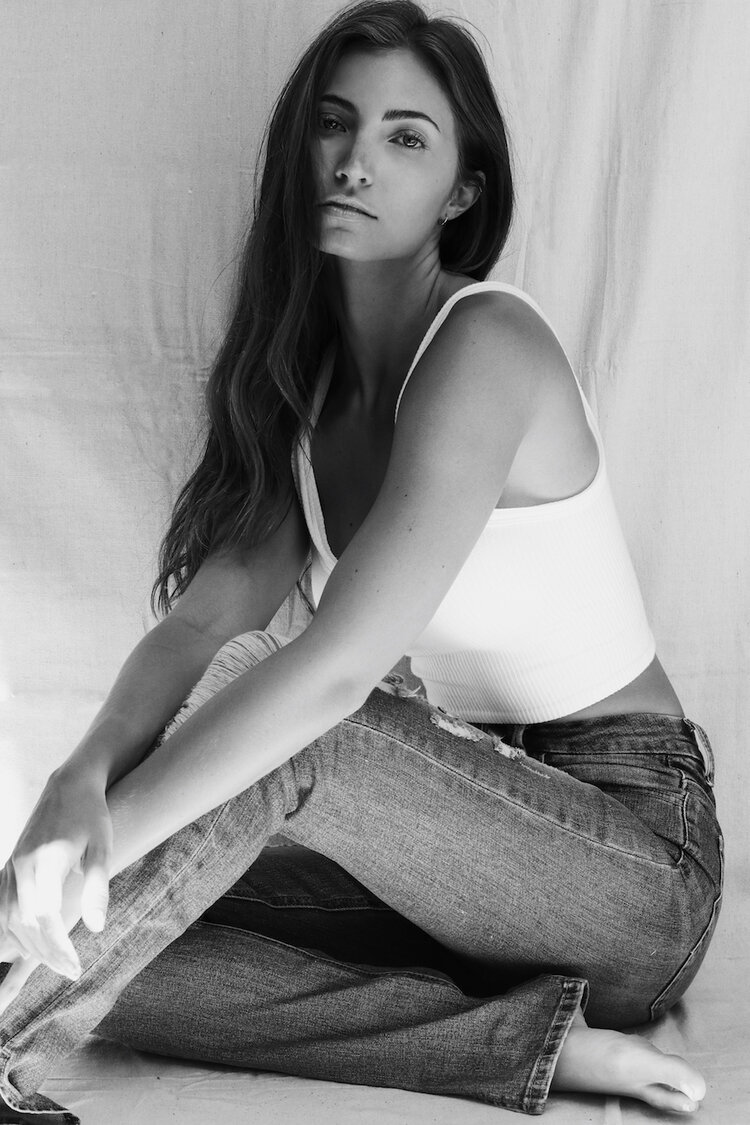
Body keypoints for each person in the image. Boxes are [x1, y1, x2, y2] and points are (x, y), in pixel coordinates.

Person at [0, 0, 723, 1120]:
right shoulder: (304, 394)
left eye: (405, 136)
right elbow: (202, 622)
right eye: (334, 125)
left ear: (462, 192)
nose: (353, 160)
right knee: (135, 950)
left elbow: (335, 674)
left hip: (631, 870)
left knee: (270, 738)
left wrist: (81, 864)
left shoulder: (487, 344)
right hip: (449, 857)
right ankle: (524, 1044)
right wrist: (77, 783)